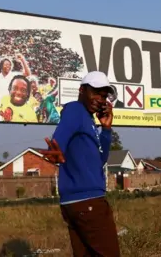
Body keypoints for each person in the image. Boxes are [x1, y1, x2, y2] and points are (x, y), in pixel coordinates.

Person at [40, 71, 121, 256]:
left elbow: (100, 161)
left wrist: (106, 130)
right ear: (82, 90)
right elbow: (59, 139)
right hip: (88, 201)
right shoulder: (76, 110)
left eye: (104, 96)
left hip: (75, 204)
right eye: (96, 92)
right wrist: (57, 150)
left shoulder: (89, 121)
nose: (100, 99)